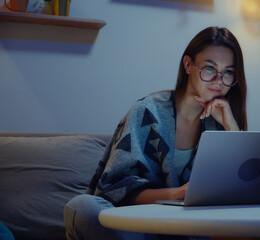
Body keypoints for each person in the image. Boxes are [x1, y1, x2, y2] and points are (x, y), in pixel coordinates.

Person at [63, 26, 247, 240]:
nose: (218, 80)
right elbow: (115, 189)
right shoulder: (148, 111)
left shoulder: (221, 123)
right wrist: (178, 194)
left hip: (194, 229)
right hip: (140, 227)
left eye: (228, 72)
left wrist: (231, 127)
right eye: (209, 68)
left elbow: (242, 190)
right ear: (188, 65)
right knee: (83, 207)